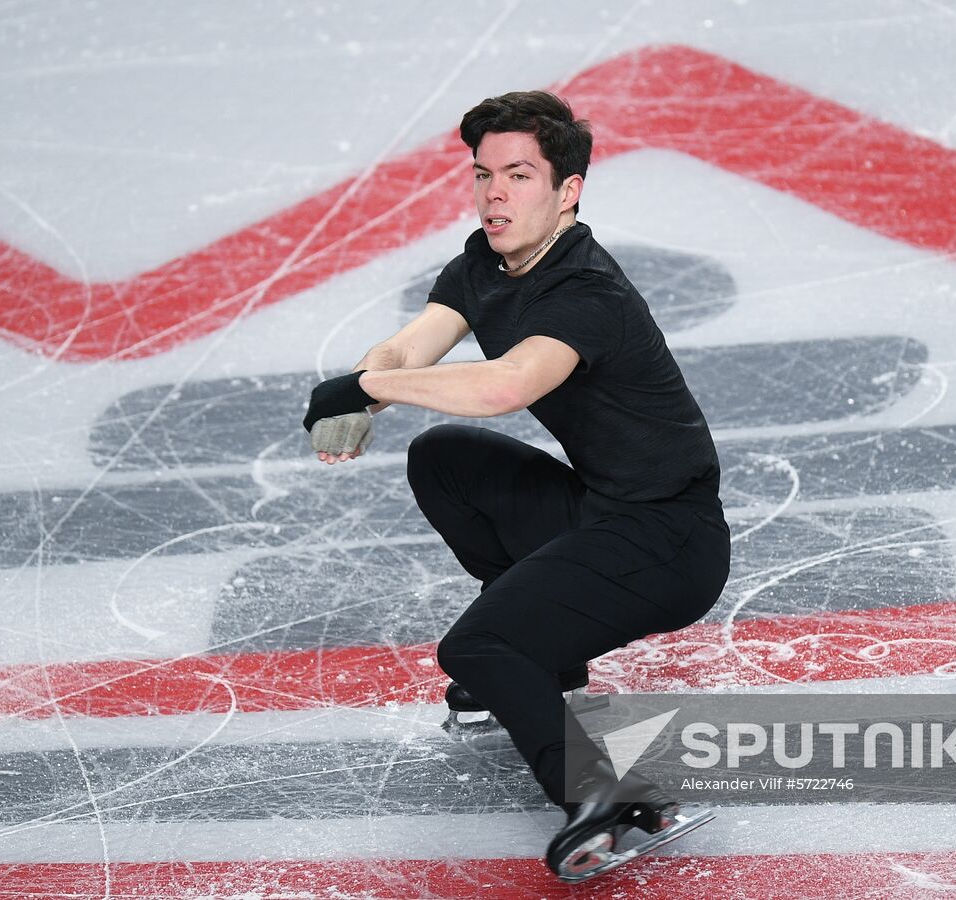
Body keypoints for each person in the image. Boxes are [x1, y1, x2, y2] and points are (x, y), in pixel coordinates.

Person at [302, 90, 730, 882]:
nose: (495, 193)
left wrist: (369, 388)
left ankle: (603, 793)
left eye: (520, 175)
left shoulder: (587, 293)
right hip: (602, 510)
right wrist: (371, 383)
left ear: (567, 190)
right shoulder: (482, 265)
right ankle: (547, 662)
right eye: (483, 174)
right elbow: (409, 347)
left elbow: (507, 384)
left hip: (670, 543)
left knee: (477, 644)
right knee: (446, 460)